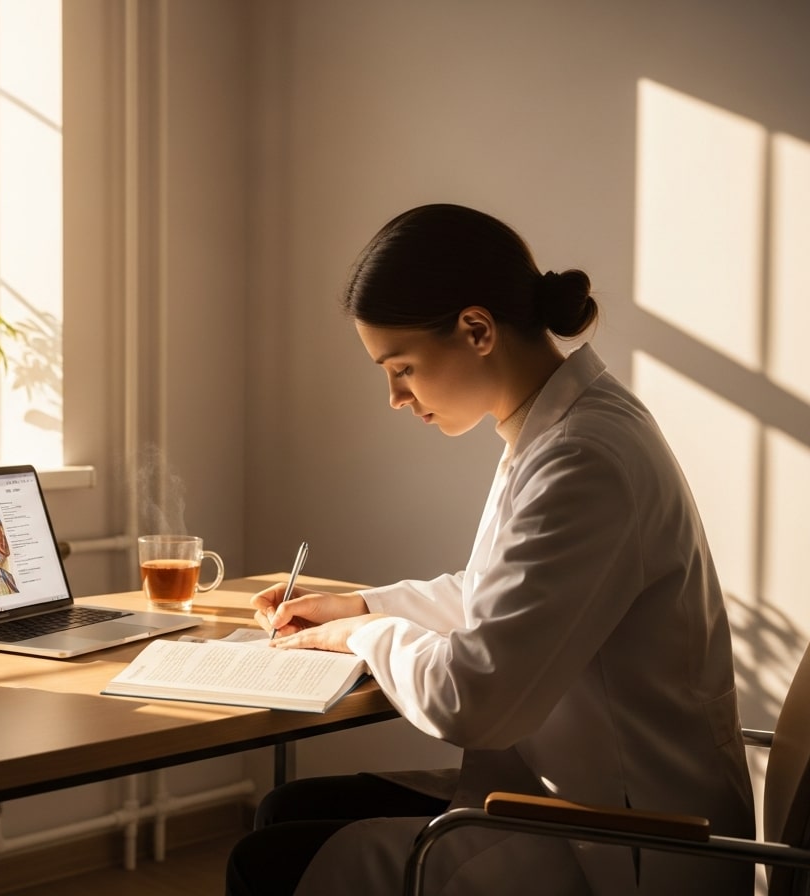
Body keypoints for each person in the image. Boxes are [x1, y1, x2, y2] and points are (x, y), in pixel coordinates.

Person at [225, 204, 754, 895]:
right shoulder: (561, 427)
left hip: (624, 842)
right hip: (582, 796)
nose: (394, 396)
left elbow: (473, 702)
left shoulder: (583, 457)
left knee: (267, 862)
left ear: (477, 330)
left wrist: (366, 635)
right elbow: (495, 592)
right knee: (286, 811)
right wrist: (356, 605)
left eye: (402, 367)